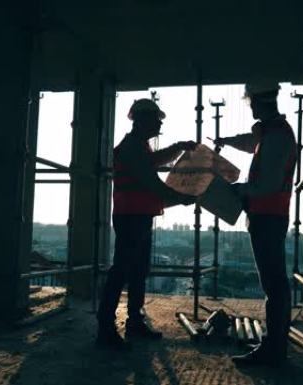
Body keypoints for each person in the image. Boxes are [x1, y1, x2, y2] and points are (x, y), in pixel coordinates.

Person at [96, 98, 197, 350]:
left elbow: (157, 160)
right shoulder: (133, 148)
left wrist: (178, 147)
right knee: (121, 271)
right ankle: (106, 327)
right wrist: (181, 197)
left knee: (138, 271)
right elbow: (151, 183)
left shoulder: (138, 146)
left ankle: (134, 321)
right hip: (131, 216)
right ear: (142, 120)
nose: (160, 123)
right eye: (156, 119)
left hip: (138, 215)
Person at [214, 81, 297, 366]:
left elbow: (269, 184)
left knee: (274, 285)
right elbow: (250, 142)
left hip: (268, 215)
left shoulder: (276, 137)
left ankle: (273, 349)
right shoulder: (272, 133)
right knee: (274, 283)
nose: (249, 107)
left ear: (259, 102)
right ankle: (276, 346)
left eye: (250, 103)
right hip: (268, 215)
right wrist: (226, 141)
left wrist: (240, 190)